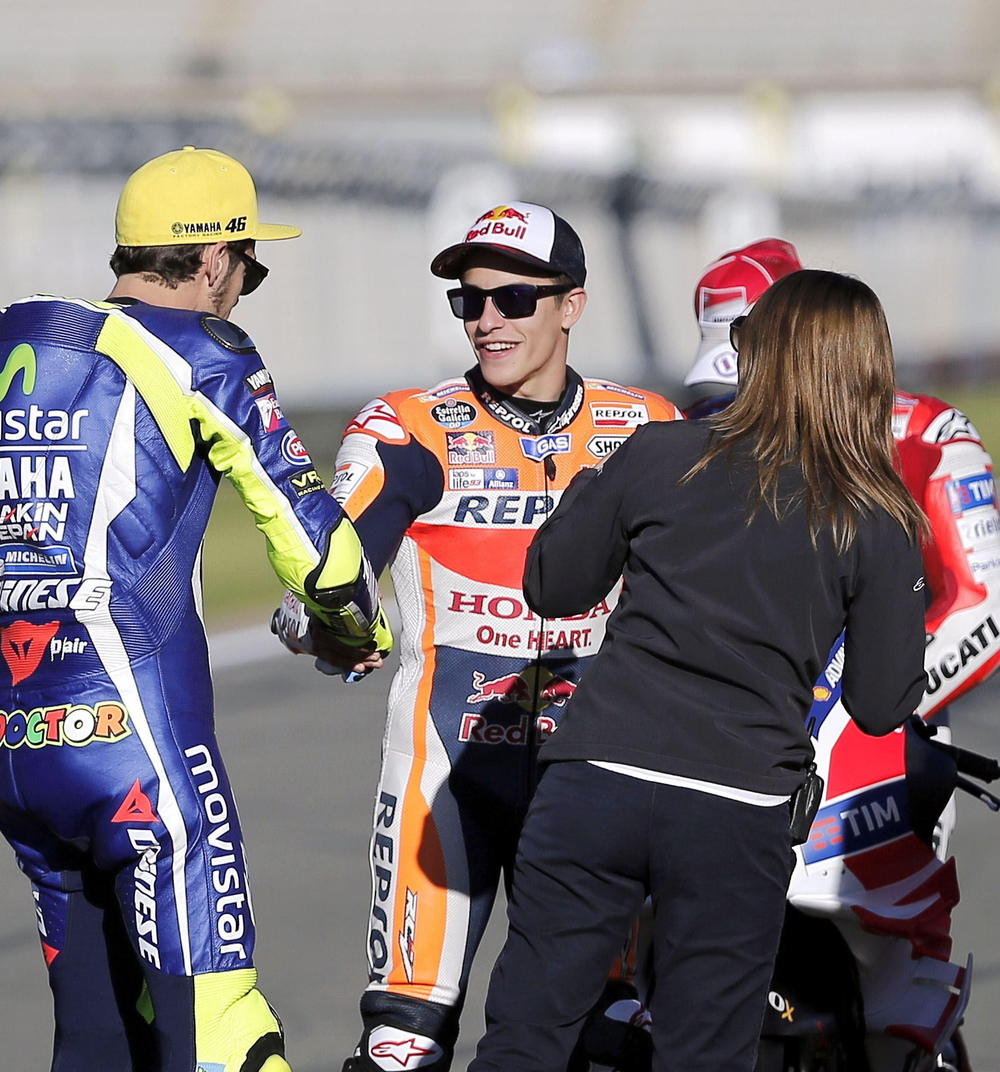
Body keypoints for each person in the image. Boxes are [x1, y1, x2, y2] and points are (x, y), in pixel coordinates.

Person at [0, 145, 392, 1072]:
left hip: (16, 752)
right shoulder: (201, 349)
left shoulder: (20, 361)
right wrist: (358, 629)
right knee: (225, 1038)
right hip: (137, 750)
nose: (245, 289)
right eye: (251, 268)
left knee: (99, 1039)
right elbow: (319, 547)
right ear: (217, 260)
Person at [467, 269, 929, 1071]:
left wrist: (587, 489)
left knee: (525, 1041)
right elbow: (884, 702)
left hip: (596, 781)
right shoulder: (874, 513)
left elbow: (553, 585)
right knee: (704, 1056)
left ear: (758, 357)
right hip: (736, 806)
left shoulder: (660, 452)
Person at [276, 201, 679, 1071]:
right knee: (401, 1042)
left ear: (571, 305)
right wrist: (325, 615)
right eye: (470, 301)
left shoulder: (649, 425)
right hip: (445, 773)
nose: (487, 319)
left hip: (595, 779)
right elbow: (329, 565)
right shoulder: (409, 422)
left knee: (606, 1033)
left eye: (513, 299)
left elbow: (710, 594)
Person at [684, 238, 1000, 1061]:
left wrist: (875, 707)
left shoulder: (930, 432)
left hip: (886, 760)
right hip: (726, 748)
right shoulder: (695, 432)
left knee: (898, 993)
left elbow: (986, 601)